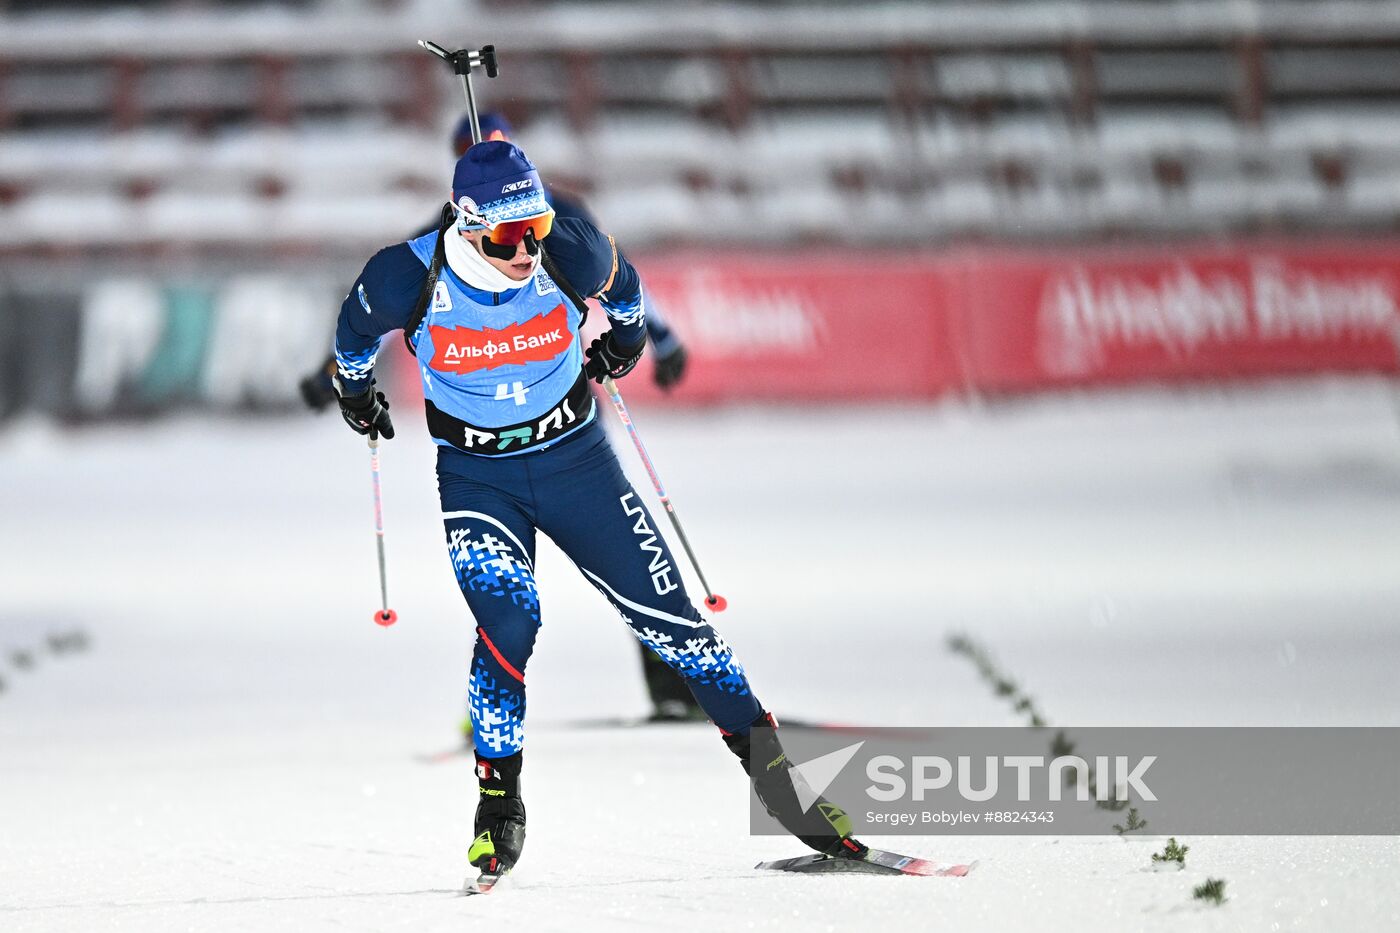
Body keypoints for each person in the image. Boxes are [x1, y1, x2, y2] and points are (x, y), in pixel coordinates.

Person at [329, 140, 864, 886]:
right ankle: (498, 803)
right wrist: (356, 392)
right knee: (511, 623)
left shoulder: (568, 248)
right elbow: (351, 338)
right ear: (466, 221)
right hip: (480, 480)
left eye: (537, 228)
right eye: (509, 235)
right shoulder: (405, 275)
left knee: (678, 626)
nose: (527, 248)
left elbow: (630, 298)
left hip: (577, 464)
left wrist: (626, 342)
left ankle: (787, 792)